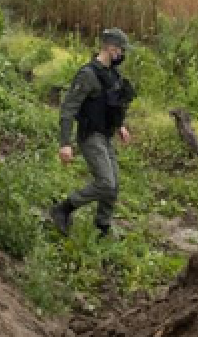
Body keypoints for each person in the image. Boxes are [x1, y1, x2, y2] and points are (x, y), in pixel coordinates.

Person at [49, 28, 138, 238]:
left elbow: (112, 104)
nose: (123, 55)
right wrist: (65, 143)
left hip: (105, 135)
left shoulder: (112, 74)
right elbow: (68, 109)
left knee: (113, 185)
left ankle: (103, 226)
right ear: (109, 47)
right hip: (90, 136)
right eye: (121, 50)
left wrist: (121, 125)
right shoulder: (88, 74)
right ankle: (64, 208)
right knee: (106, 183)